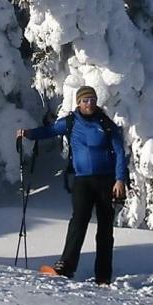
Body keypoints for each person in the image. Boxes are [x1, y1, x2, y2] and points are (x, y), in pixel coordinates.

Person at [17, 86, 127, 284]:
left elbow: (119, 152)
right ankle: (66, 266)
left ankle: (103, 275)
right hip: (82, 180)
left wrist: (120, 179)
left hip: (106, 181)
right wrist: (29, 134)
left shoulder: (106, 124)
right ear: (78, 102)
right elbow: (49, 130)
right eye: (85, 100)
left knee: (105, 229)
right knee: (78, 221)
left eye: (92, 100)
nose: (89, 104)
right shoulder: (70, 122)